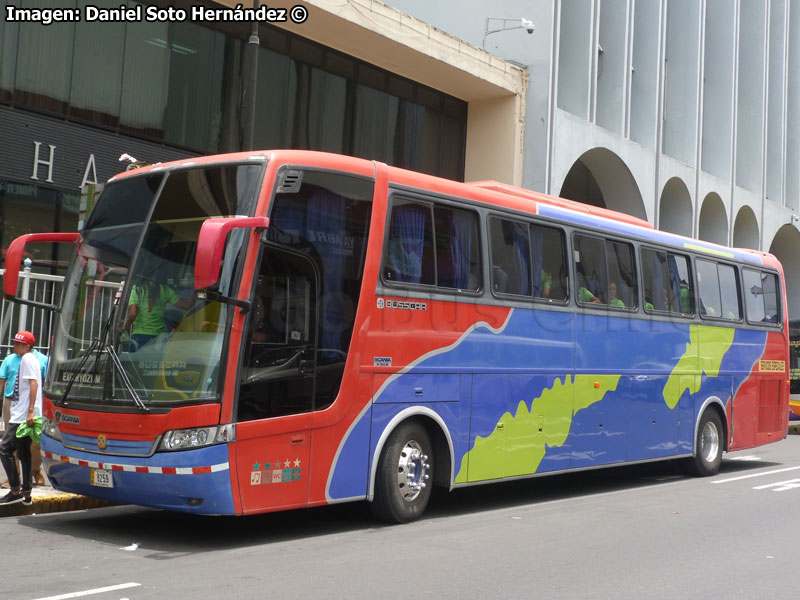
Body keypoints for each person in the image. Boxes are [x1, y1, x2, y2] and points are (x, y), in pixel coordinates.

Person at [0, 331, 42, 505]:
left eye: (18, 344)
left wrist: (30, 411)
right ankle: (26, 493)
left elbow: (34, 384)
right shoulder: (28, 359)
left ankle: (15, 490)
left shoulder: (28, 360)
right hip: (23, 413)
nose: (14, 346)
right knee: (24, 453)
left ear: (27, 346)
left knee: (5, 448)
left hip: (22, 416)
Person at [122, 276, 190, 350]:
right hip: (158, 339)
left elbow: (132, 314)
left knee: (134, 357)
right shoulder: (165, 290)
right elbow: (186, 305)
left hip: (140, 337)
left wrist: (123, 329)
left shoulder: (137, 289)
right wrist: (197, 294)